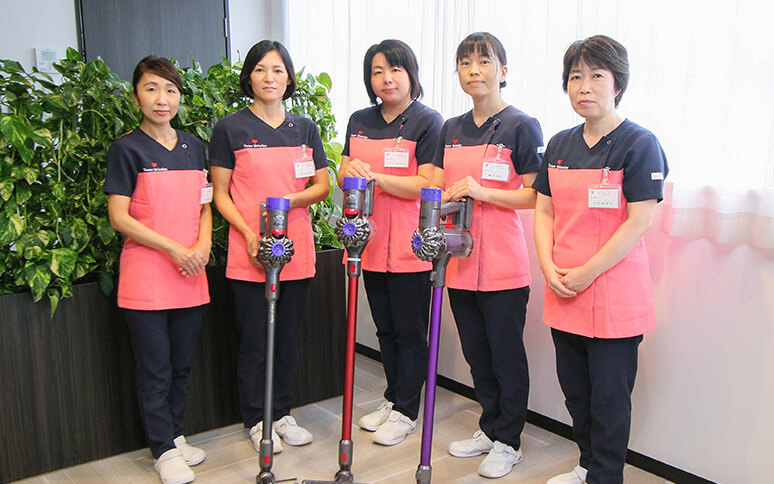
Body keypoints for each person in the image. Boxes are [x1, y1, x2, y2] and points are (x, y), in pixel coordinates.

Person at [533, 35, 668, 484]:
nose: (584, 86)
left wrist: (587, 272)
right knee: (576, 393)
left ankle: (606, 475)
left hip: (613, 294)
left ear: (618, 84)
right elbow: (545, 211)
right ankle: (588, 465)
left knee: (609, 400)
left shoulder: (639, 143)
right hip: (564, 289)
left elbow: (639, 221)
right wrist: (547, 266)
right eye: (575, 77)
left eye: (596, 76)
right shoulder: (559, 144)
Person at [209, 40, 329, 454]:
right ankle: (255, 419)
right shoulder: (230, 128)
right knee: (255, 341)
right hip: (250, 250)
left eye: (278, 70)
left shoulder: (304, 128)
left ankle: (281, 413)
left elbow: (321, 185)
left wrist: (287, 201)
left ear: (289, 78)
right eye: (260, 69)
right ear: (249, 77)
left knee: (287, 339)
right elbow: (220, 193)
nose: (269, 78)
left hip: (296, 249)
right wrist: (246, 233)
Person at [434, 32, 544, 479]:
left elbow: (535, 196)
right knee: (477, 354)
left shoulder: (522, 125)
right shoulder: (450, 128)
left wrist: (484, 192)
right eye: (465, 62)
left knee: (505, 355)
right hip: (459, 258)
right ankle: (490, 426)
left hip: (501, 263)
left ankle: (509, 440)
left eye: (483, 61)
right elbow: (439, 186)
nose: (474, 70)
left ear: (503, 71)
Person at [105, 56, 211, 484]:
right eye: (151, 89)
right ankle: (162, 450)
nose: (161, 99)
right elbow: (119, 217)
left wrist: (202, 246)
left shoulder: (194, 147)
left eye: (170, 90)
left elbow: (204, 205)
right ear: (136, 97)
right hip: (147, 274)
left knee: (182, 364)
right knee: (155, 368)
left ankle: (175, 435)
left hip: (191, 272)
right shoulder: (126, 149)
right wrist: (174, 249)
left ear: (180, 96)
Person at [338, 39, 443, 446]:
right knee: (384, 329)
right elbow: (344, 173)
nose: (386, 79)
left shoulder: (428, 121)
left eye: (395, 69)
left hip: (409, 245)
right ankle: (393, 396)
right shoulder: (359, 120)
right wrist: (350, 170)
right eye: (377, 71)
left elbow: (429, 183)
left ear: (410, 74)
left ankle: (407, 411)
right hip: (368, 241)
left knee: (410, 331)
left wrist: (378, 178)